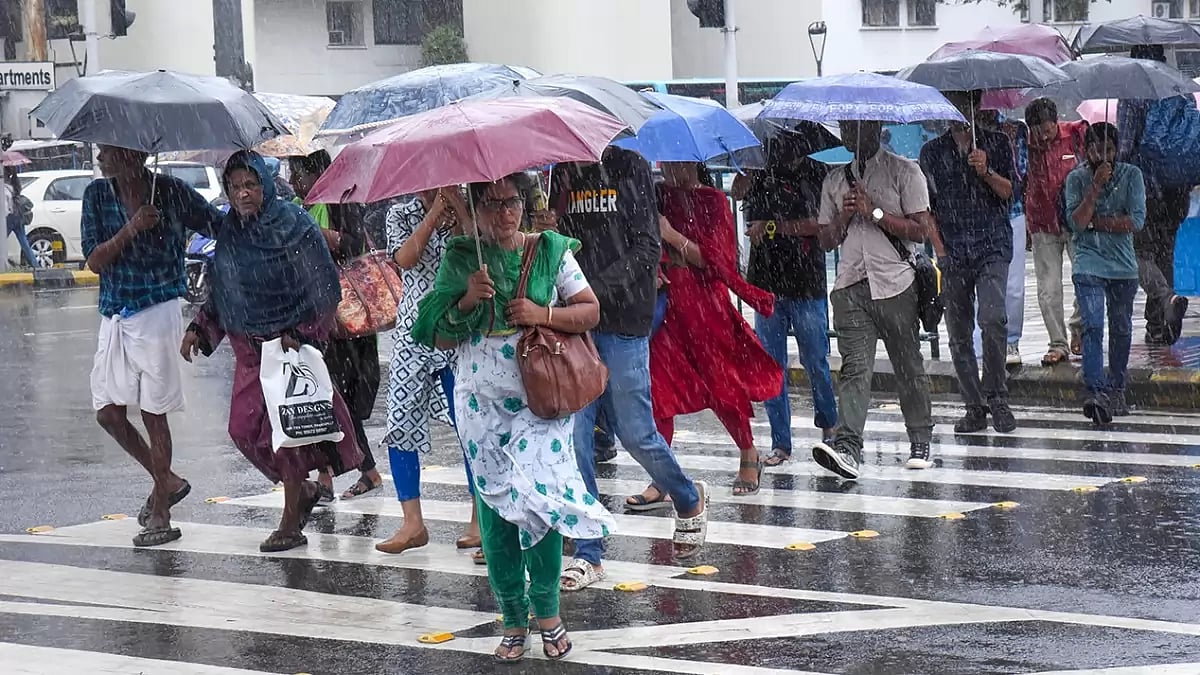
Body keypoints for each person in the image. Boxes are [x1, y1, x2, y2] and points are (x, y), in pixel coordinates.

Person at [411, 174, 616, 662]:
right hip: (480, 405)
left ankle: (548, 612)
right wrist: (466, 300)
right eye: (495, 204)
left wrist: (542, 313)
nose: (506, 213)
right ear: (476, 208)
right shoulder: (462, 257)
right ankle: (511, 617)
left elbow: (590, 311)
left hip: (539, 399)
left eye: (514, 202)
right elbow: (436, 336)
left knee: (541, 502)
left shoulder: (549, 250)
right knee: (497, 511)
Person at [181, 150, 363, 552]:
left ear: (264, 184)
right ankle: (303, 491)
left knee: (287, 436)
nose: (243, 193)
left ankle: (290, 521)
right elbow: (224, 286)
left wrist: (303, 332)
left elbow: (324, 285)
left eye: (250, 185)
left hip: (287, 346)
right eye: (235, 187)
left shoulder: (294, 224)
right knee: (244, 430)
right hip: (248, 348)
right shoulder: (231, 231)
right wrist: (200, 326)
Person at [548, 148, 710, 594]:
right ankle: (589, 550)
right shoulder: (562, 173)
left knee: (636, 433)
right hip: (576, 324)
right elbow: (564, 243)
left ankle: (687, 496)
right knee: (576, 437)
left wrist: (594, 292)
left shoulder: (630, 167)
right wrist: (548, 232)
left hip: (622, 322)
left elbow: (647, 247)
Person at [82, 144, 222, 547]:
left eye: (108, 150)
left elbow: (214, 224)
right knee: (108, 413)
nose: (100, 157)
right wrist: (132, 229)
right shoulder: (97, 195)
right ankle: (168, 480)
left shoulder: (172, 192)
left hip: (156, 310)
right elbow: (95, 261)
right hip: (114, 311)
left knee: (154, 412)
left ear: (133, 155)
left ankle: (161, 509)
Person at [813, 120, 935, 478]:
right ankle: (848, 446)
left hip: (895, 282)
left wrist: (875, 213)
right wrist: (847, 215)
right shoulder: (834, 181)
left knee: (908, 365)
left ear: (877, 128)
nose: (854, 136)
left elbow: (921, 230)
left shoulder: (904, 171)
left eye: (861, 128)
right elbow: (825, 239)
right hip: (851, 286)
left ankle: (919, 437)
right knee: (854, 369)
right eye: (848, 129)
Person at [652, 160, 782, 494]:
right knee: (659, 389)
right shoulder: (656, 197)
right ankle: (662, 473)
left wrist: (670, 235)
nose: (668, 168)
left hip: (705, 306)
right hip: (667, 305)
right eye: (664, 162)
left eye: (675, 161)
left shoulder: (713, 201)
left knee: (723, 385)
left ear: (692, 163)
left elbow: (715, 260)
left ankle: (748, 453)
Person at [376, 185, 482, 555]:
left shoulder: (467, 207)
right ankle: (412, 522)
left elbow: (477, 253)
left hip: (457, 330)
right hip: (413, 332)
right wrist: (433, 215)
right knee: (399, 423)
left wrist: (459, 213)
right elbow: (405, 259)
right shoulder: (399, 213)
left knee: (470, 425)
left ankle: (478, 519)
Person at [920, 90, 1017, 434]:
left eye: (965, 106)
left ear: (977, 107)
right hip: (954, 249)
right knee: (958, 334)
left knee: (993, 318)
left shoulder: (998, 143)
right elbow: (926, 209)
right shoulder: (931, 152)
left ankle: (997, 395)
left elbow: (1009, 192)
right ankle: (973, 405)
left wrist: (986, 170)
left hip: (991, 244)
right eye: (953, 107)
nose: (959, 114)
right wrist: (940, 250)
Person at [288, 150, 383, 503]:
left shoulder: (342, 200)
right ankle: (330, 475)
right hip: (314, 316)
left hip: (349, 319)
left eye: (300, 172)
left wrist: (313, 230)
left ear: (319, 173)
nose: (295, 180)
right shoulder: (300, 205)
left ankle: (365, 472)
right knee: (321, 398)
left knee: (341, 401)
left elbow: (353, 244)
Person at [744, 130, 838, 466]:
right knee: (772, 366)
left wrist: (772, 227)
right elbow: (749, 219)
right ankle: (780, 442)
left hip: (806, 281)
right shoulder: (761, 173)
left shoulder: (817, 173)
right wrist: (748, 178)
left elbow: (817, 224)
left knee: (816, 361)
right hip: (767, 282)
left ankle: (829, 427)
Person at [1063, 123, 1146, 425]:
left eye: (1109, 149)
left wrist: (1097, 223)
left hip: (1123, 266)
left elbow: (1136, 221)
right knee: (1093, 326)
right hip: (1089, 264)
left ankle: (1117, 386)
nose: (1104, 155)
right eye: (1097, 149)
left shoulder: (1131, 175)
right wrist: (1095, 187)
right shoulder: (1076, 179)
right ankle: (1095, 391)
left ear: (1117, 149)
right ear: (1087, 150)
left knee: (1122, 329)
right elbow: (1076, 223)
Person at [1119, 45, 1190, 346]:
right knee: (1165, 255)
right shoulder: (1180, 89)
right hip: (1177, 189)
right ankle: (1158, 326)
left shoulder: (1132, 93)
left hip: (1145, 188)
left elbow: (1123, 146)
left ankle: (1167, 299)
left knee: (1140, 255)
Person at [1024, 98, 1086, 365]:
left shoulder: (1075, 134)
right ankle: (1057, 343)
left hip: (1074, 221)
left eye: (1046, 128)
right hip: (1041, 223)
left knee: (1084, 278)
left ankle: (1080, 330)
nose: (1042, 135)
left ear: (1055, 121)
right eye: (1036, 130)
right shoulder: (1024, 145)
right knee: (1048, 289)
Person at [4, 169, 38, 268]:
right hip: (18, 216)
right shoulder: (14, 184)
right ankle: (35, 265)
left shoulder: (4, 188)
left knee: (2, 239)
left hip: (10, 217)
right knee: (24, 241)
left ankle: (4, 263)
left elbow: (6, 207)